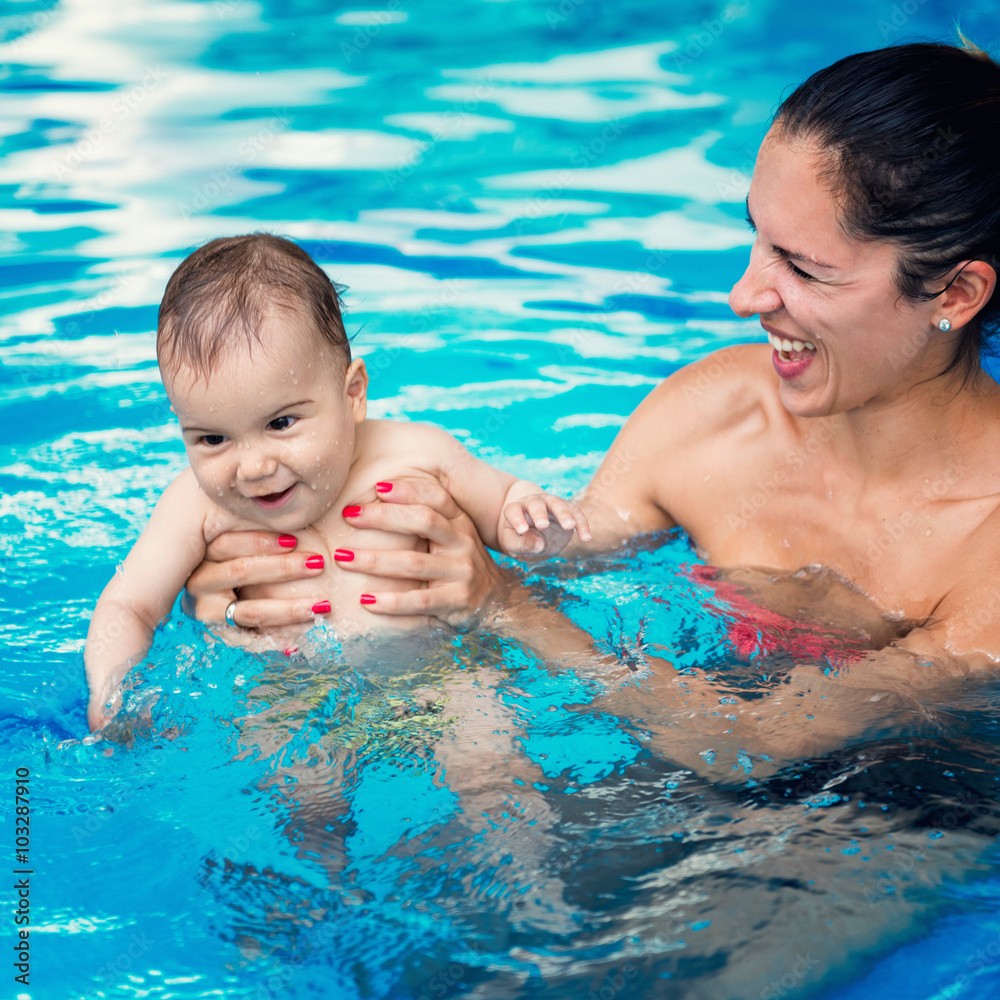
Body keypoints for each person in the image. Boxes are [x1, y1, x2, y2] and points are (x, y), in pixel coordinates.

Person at [179, 42, 1000, 764]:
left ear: (956, 293)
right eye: (755, 236)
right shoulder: (718, 408)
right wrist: (276, 557)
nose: (744, 295)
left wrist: (504, 608)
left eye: (805, 268)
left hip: (901, 808)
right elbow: (573, 550)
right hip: (672, 754)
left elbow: (746, 748)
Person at [84, 234, 590, 731]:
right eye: (213, 438)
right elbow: (128, 605)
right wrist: (114, 694)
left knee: (488, 761)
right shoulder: (192, 505)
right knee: (298, 785)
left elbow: (501, 500)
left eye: (281, 424)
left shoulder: (417, 454)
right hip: (287, 693)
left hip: (441, 676)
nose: (253, 467)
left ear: (353, 394)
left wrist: (530, 516)